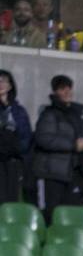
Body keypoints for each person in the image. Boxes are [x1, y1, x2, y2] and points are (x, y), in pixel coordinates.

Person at [32, 74, 83, 221]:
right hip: (53, 173)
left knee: (70, 215)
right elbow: (43, 139)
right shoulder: (49, 114)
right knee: (52, 214)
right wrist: (73, 145)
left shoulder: (78, 114)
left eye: (69, 88)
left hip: (73, 171)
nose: (67, 92)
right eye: (62, 89)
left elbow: (82, 137)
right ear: (55, 92)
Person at [0, 69, 32, 204]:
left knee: (10, 202)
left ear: (10, 86)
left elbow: (26, 136)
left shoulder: (19, 111)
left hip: (13, 162)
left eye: (4, 81)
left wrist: (15, 149)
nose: (1, 84)